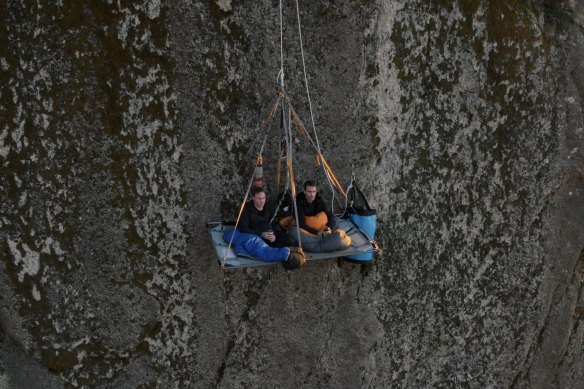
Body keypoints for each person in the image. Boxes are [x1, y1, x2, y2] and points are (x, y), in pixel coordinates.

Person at [290, 180, 351, 252]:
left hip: (321, 227)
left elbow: (329, 215)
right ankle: (329, 243)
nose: (312, 195)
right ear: (304, 192)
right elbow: (301, 224)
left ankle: (332, 240)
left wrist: (328, 227)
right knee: (294, 231)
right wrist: (317, 233)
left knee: (334, 219)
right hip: (308, 230)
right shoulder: (298, 202)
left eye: (314, 192)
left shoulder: (318, 200)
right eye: (309, 192)